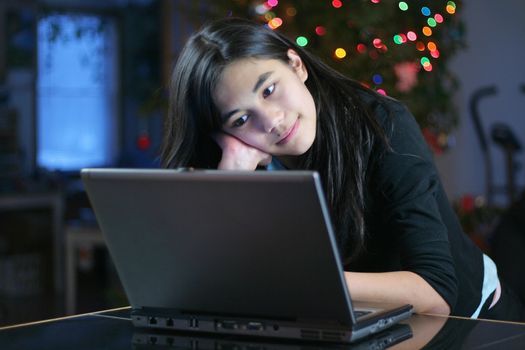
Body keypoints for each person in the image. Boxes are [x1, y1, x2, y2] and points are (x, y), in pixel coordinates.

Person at [161, 17, 525, 321]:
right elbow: (210, 286)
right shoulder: (246, 165)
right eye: (241, 118)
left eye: (270, 89)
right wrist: (230, 183)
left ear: (296, 65)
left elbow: (436, 293)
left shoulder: (384, 126)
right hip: (357, 324)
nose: (271, 121)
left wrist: (308, 281)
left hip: (470, 320)